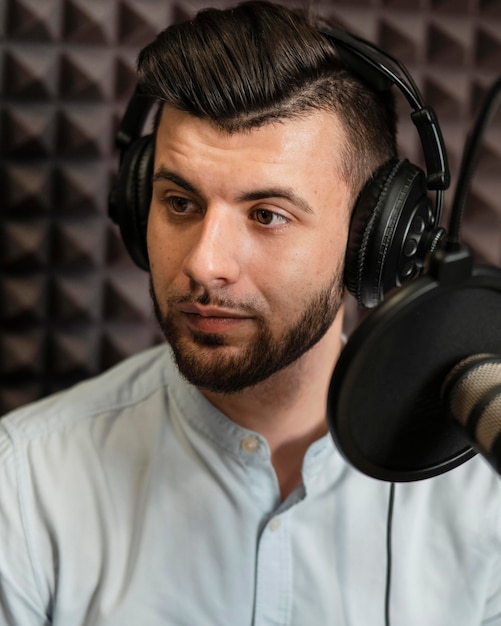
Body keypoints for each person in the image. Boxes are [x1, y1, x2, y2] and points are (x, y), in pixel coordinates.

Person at [1, 2, 500, 625]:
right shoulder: (23, 487)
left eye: (267, 215)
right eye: (179, 202)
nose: (206, 264)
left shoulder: (485, 492)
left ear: (377, 239)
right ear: (136, 207)